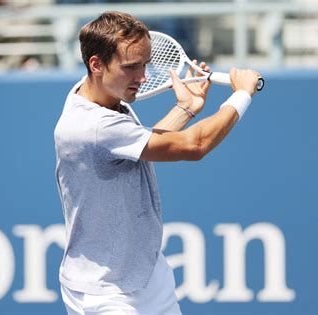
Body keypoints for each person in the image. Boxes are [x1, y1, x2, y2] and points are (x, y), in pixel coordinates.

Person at [54, 11, 261, 315]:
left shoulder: (98, 94)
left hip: (148, 275)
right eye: (131, 67)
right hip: (104, 293)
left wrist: (185, 108)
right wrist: (242, 95)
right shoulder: (93, 125)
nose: (143, 77)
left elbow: (141, 144)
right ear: (96, 64)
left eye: (145, 64)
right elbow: (195, 145)